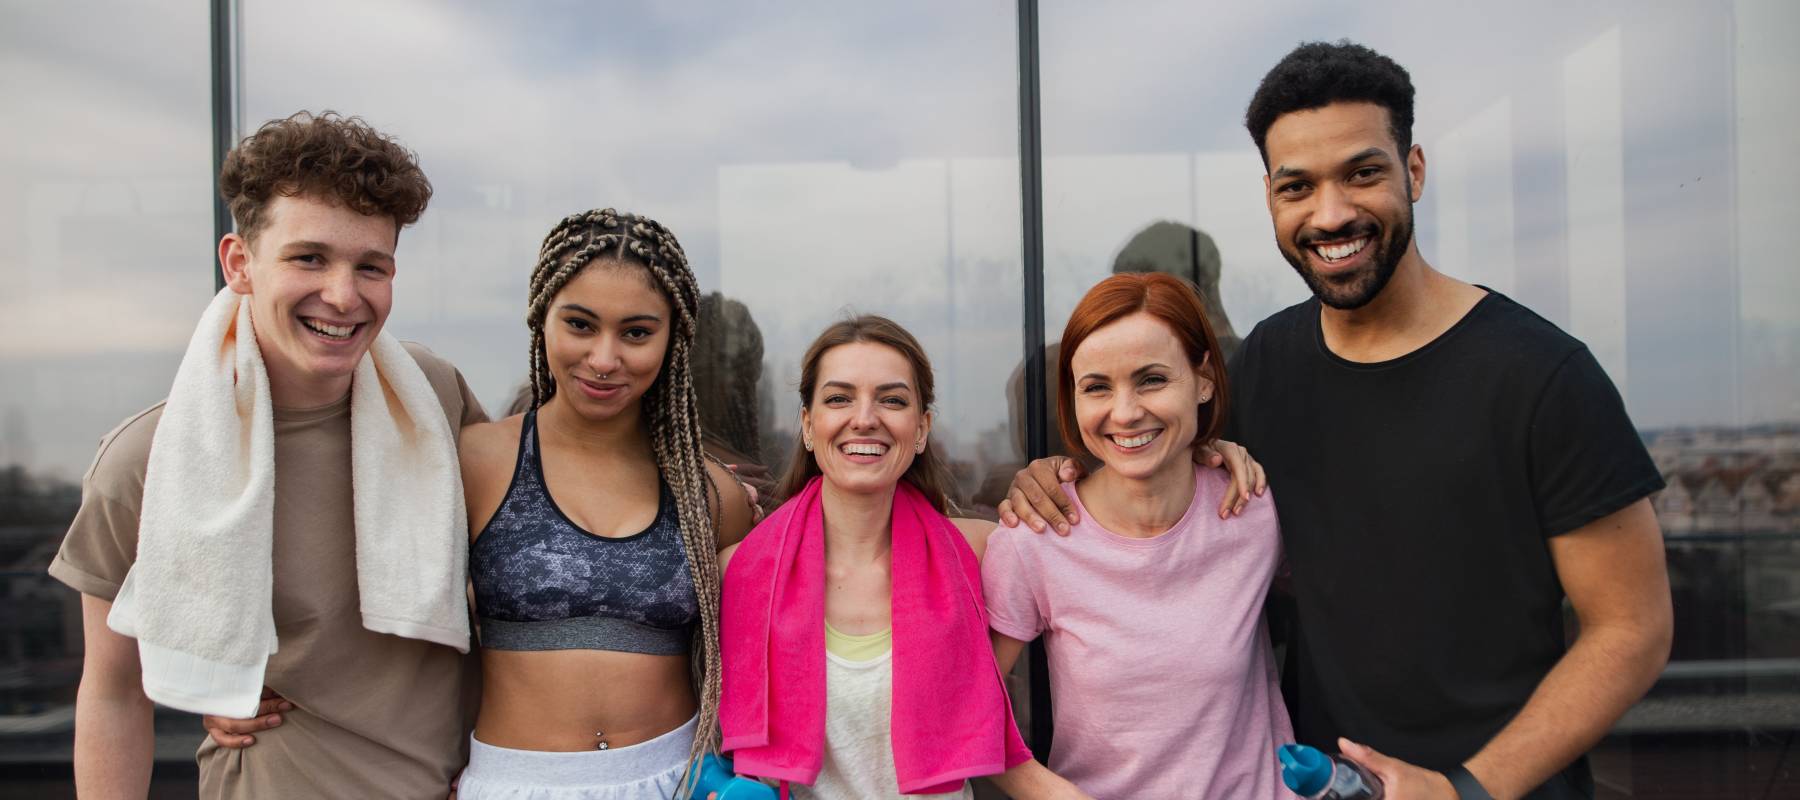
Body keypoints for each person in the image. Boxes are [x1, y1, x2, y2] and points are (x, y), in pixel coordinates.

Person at [1001, 41, 1673, 800]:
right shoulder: (1267, 365)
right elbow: (1155, 474)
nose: (1331, 213)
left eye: (1363, 173)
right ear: (1271, 198)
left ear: (1413, 170)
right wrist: (1050, 475)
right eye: (1298, 185)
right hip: (1313, 782)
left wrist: (1466, 789)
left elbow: (1632, 628)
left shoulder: (1544, 377)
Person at [48, 111, 488, 798]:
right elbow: (112, 694)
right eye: (309, 257)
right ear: (240, 262)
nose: (343, 296)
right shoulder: (145, 459)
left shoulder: (434, 399)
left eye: (370, 266)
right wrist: (208, 671)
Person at [718, 316, 1088, 800]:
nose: (865, 417)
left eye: (892, 400)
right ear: (808, 425)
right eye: (838, 398)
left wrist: (1206, 453)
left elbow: (1122, 547)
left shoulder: (983, 553)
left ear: (921, 429)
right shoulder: (741, 570)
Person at [453, 208, 755, 798]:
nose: (604, 358)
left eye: (637, 332)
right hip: (516, 783)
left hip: (676, 780)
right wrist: (265, 679)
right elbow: (385, 611)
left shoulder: (711, 494)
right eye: (581, 325)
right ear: (543, 319)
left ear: (674, 340)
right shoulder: (476, 463)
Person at [984, 273, 1294, 798]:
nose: (1125, 412)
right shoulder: (1037, 537)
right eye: (1097, 387)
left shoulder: (1252, 506)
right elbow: (967, 713)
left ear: (1204, 380)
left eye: (1151, 379)